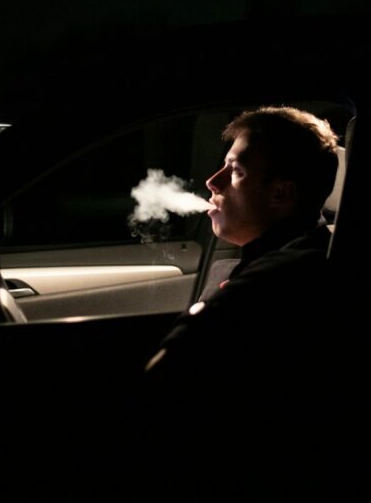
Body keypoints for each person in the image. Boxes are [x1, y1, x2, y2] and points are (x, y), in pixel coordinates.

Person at [142, 105, 342, 395]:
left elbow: (165, 373)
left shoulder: (274, 279)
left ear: (281, 194)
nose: (212, 182)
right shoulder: (287, 255)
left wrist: (204, 313)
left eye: (235, 171)